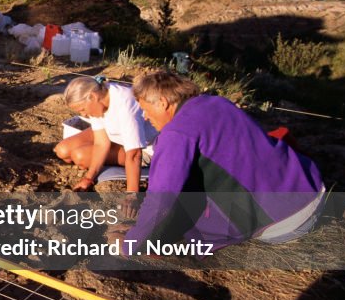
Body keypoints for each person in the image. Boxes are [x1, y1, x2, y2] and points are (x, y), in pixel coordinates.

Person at [109, 71, 325, 253]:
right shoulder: (217, 103)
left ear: (163, 103)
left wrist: (132, 244)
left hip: (283, 223)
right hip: (311, 190)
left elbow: (162, 199)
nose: (145, 117)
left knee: (187, 219)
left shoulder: (177, 133)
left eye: (145, 109)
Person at [55, 76, 157, 194]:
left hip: (143, 148)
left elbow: (135, 155)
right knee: (62, 150)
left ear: (92, 97)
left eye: (82, 109)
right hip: (115, 134)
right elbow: (101, 142)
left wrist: (132, 195)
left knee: (79, 155)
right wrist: (88, 178)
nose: (83, 114)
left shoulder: (125, 105)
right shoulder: (100, 98)